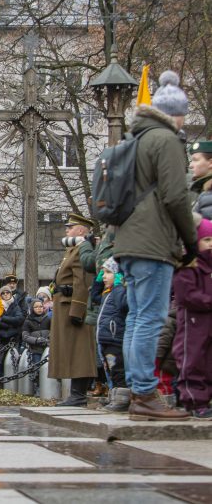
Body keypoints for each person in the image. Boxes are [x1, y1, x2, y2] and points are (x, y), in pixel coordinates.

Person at [113, 71, 195, 421]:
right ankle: (145, 393)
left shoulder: (135, 139)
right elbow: (177, 195)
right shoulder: (167, 140)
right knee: (150, 318)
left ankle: (136, 389)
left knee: (136, 318)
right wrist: (190, 241)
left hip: (128, 241)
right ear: (176, 113)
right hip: (153, 242)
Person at [50, 213, 98, 406]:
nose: (67, 230)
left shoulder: (81, 251)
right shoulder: (73, 250)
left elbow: (82, 282)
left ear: (80, 230)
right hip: (64, 305)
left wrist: (77, 310)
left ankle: (78, 395)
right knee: (71, 352)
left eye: (70, 227)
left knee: (79, 352)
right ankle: (75, 394)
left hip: (72, 306)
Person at [171, 219, 212, 419]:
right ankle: (194, 401)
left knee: (208, 362)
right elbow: (186, 295)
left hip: (207, 322)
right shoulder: (189, 266)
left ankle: (205, 400)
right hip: (193, 323)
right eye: (206, 239)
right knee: (192, 361)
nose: (211, 243)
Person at [95, 258, 130, 412]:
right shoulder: (106, 293)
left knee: (117, 370)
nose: (103, 276)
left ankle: (122, 399)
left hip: (114, 339)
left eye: (108, 272)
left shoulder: (119, 291)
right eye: (103, 273)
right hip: (105, 339)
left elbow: (123, 305)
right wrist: (98, 282)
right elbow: (93, 296)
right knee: (109, 371)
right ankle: (114, 396)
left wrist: (118, 286)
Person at [0, 286, 25, 384]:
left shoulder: (15, 306)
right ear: (0, 295)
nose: (6, 295)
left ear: (11, 294)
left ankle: (10, 384)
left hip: (12, 339)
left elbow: (19, 319)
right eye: (3, 293)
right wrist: (10, 323)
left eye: (8, 293)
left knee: (12, 362)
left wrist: (3, 319)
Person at [22, 299, 51, 395]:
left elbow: (53, 332)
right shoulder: (28, 321)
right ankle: (37, 388)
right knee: (36, 369)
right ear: (32, 308)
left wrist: (48, 339)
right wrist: (36, 340)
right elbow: (25, 336)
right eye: (36, 307)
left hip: (47, 349)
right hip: (35, 349)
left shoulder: (48, 319)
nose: (39, 309)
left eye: (41, 306)